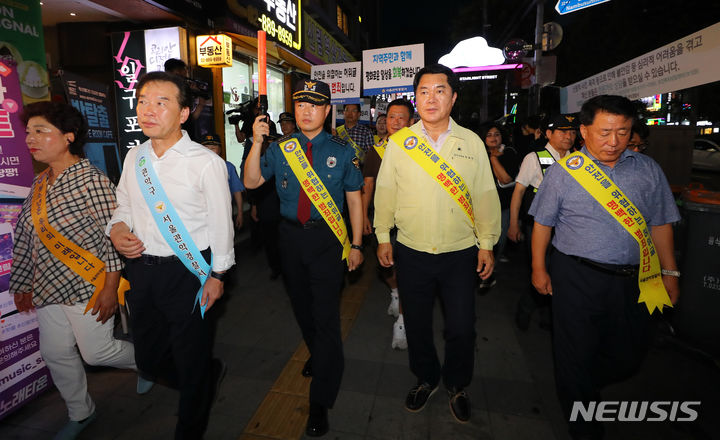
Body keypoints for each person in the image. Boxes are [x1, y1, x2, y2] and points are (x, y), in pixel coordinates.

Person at [529, 95, 680, 440]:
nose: (613, 142)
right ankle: (584, 422)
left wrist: (670, 272)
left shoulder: (647, 170)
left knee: (630, 354)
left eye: (623, 132)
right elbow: (542, 224)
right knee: (574, 351)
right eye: (605, 132)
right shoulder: (566, 172)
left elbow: (660, 224)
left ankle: (581, 384)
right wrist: (539, 268)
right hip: (577, 275)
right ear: (584, 131)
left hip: (636, 278)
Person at [107, 71, 234, 439]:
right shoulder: (135, 157)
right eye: (143, 101)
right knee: (147, 358)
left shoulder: (205, 162)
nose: (148, 110)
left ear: (183, 113)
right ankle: (204, 382)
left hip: (190, 274)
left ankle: (191, 423)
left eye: (161, 102)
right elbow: (124, 205)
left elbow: (221, 223)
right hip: (143, 272)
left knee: (190, 357)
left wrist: (218, 275)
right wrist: (117, 229)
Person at [374, 64, 501, 423]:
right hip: (411, 251)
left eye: (440, 91)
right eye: (424, 92)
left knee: (461, 326)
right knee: (416, 323)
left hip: (460, 253)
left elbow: (485, 195)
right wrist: (383, 236)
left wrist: (487, 243)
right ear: (417, 98)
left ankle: (457, 384)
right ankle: (426, 377)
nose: (431, 98)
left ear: (454, 96)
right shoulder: (401, 142)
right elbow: (385, 192)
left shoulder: (471, 142)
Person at [243, 79, 364, 437]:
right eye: (300, 104)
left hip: (327, 240)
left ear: (328, 111)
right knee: (302, 309)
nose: (306, 110)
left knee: (326, 317)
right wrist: (257, 141)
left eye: (314, 104)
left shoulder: (342, 149)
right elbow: (251, 182)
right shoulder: (282, 147)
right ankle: (320, 352)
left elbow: (355, 198)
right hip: (289, 239)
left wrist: (356, 244)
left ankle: (319, 402)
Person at [11, 102, 137, 440]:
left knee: (98, 352)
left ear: (68, 137)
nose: (30, 140)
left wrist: (110, 288)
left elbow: (115, 233)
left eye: (41, 131)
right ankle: (81, 413)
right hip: (49, 287)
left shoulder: (91, 180)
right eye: (28, 132)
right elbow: (26, 237)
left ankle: (155, 360)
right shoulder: (40, 184)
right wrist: (22, 285)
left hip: (88, 284)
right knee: (54, 352)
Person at [508, 114, 577, 330]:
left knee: (561, 271)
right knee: (541, 268)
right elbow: (518, 192)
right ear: (549, 134)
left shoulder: (579, 159)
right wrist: (513, 223)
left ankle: (549, 314)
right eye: (563, 131)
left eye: (573, 132)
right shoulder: (535, 157)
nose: (569, 136)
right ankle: (526, 307)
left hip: (568, 226)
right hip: (538, 225)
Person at [361, 99, 415, 350]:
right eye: (391, 117)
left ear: (411, 121)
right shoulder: (376, 151)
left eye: (400, 117)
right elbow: (368, 186)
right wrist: (362, 215)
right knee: (387, 268)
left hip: (410, 221)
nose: (394, 122)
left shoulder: (421, 151)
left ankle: (403, 321)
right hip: (383, 220)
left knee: (406, 273)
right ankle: (394, 293)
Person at [480, 122, 520, 269]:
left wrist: (493, 158)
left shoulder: (509, 152)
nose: (493, 138)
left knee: (499, 238)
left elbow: (505, 179)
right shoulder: (476, 153)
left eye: (497, 134)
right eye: (489, 135)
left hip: (502, 205)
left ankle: (492, 266)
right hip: (481, 206)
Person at [200, 134, 244, 228]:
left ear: (220, 149)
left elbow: (236, 191)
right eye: (206, 148)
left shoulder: (228, 167)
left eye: (213, 148)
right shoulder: (196, 168)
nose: (209, 151)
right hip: (202, 215)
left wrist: (240, 213)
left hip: (224, 213)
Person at [164, 58, 206, 141]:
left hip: (185, 130)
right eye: (184, 71)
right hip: (178, 132)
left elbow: (191, 117)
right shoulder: (175, 88)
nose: (186, 75)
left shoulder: (181, 87)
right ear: (177, 72)